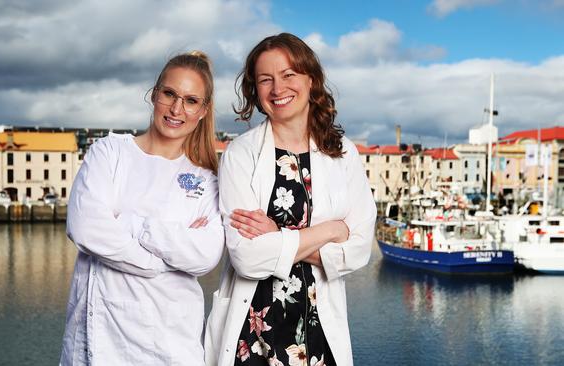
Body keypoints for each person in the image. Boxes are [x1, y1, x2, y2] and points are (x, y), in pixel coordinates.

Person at [204, 33, 376, 366]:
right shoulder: (240, 154)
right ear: (255, 91)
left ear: (311, 79)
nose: (277, 89)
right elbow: (248, 258)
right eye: (265, 80)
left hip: (320, 329)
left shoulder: (343, 153)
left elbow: (357, 251)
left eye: (288, 75)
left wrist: (277, 237)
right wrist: (331, 230)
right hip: (254, 332)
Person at [60, 51, 225, 365]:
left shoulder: (206, 179)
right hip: (97, 343)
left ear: (203, 111)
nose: (177, 109)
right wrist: (158, 264)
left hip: (170, 347)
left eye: (191, 100)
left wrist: (132, 224)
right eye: (169, 94)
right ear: (154, 94)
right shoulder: (109, 152)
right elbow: (85, 228)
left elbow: (204, 256)